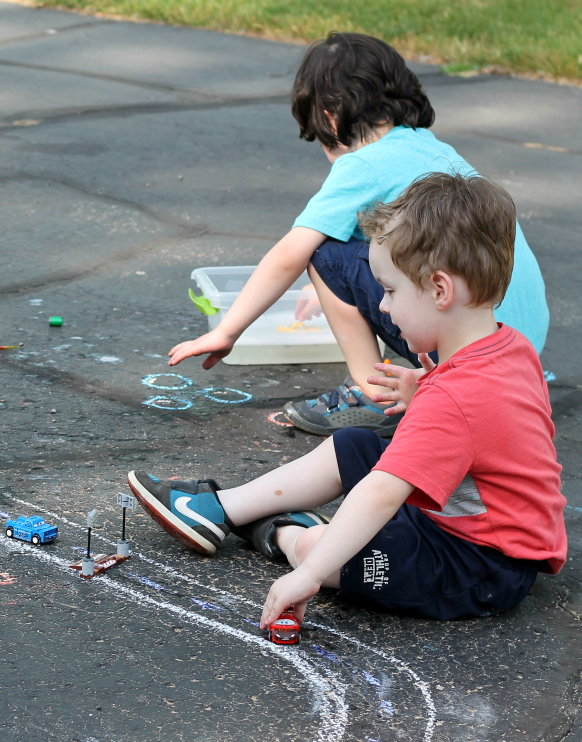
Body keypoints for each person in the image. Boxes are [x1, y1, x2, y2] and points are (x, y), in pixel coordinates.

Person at [129, 173, 566, 627]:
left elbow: (381, 492)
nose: (382, 307)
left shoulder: (454, 398)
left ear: (440, 290)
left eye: (391, 291)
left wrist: (309, 575)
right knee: (355, 443)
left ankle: (282, 533)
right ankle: (219, 508)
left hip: (478, 564)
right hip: (465, 524)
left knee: (324, 549)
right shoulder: (508, 346)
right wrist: (425, 388)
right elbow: (492, 424)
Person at [167, 33, 549, 438]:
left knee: (324, 252)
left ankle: (373, 394)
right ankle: (421, 386)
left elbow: (291, 253)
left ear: (329, 117)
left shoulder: (363, 165)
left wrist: (227, 331)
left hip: (461, 351)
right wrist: (339, 289)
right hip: (515, 355)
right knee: (354, 253)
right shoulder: (433, 149)